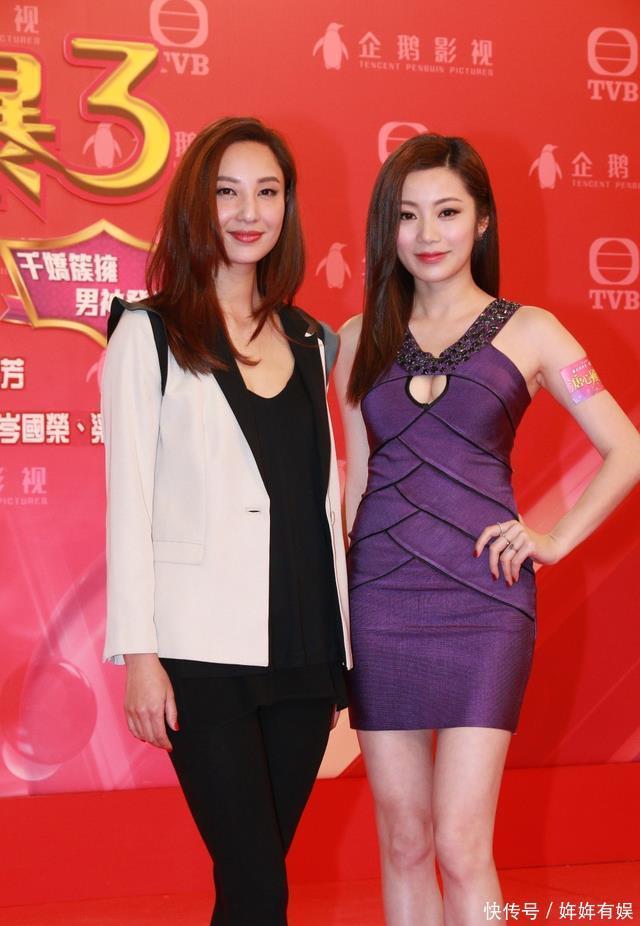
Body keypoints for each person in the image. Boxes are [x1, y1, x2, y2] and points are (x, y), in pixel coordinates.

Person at [334, 133, 640, 925]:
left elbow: (627, 447)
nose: (427, 234)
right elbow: (357, 483)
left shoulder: (534, 332)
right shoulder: (354, 338)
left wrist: (554, 537)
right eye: (407, 215)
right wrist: (335, 608)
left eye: (447, 212)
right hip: (380, 605)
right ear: (387, 227)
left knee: (462, 844)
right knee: (404, 840)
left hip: (485, 602)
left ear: (482, 222)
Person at [101, 116, 352, 926]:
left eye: (267, 192)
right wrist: (139, 655)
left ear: (288, 208)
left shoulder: (311, 341)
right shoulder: (149, 333)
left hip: (307, 649)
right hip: (201, 654)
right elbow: (129, 501)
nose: (249, 212)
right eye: (227, 192)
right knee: (257, 884)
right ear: (195, 205)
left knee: (252, 885)